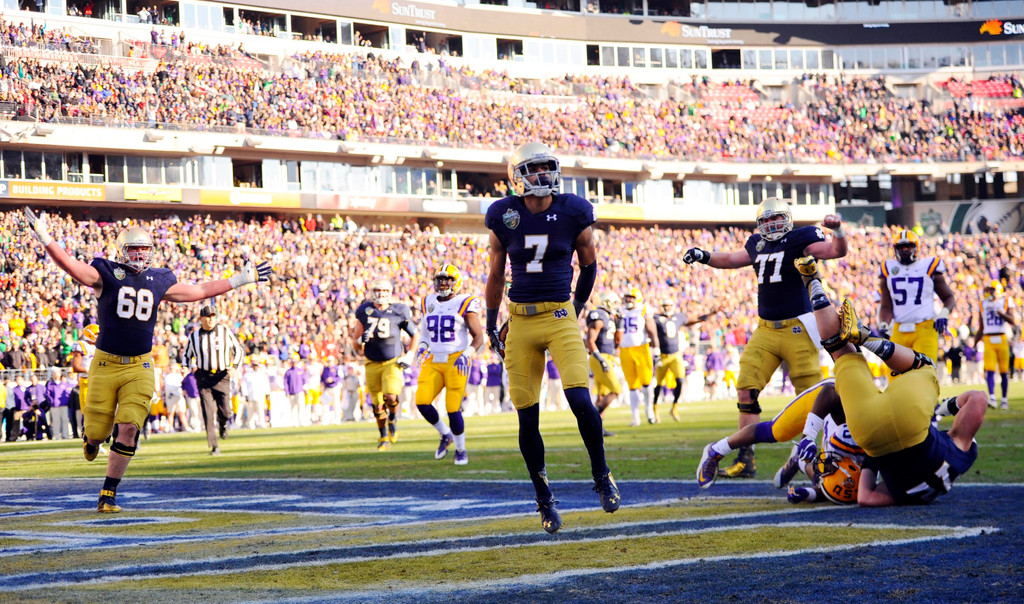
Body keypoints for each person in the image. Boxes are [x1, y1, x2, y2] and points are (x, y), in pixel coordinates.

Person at [22, 207, 272, 512]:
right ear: (122, 250)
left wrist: (241, 279)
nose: (140, 254)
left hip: (140, 364)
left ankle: (108, 494)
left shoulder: (159, 279)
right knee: (98, 432)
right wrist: (46, 238)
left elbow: (198, 290)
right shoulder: (107, 273)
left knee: (128, 427)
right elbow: (73, 267)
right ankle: (91, 441)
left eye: (145, 249)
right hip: (104, 363)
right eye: (134, 248)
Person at [484, 141, 619, 534]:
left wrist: (574, 309)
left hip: (560, 314)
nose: (543, 176)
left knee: (580, 397)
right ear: (517, 177)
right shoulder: (502, 214)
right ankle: (544, 498)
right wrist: (493, 323)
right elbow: (495, 276)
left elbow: (590, 266)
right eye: (534, 169)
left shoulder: (574, 209)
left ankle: (601, 473)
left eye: (547, 168)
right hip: (521, 320)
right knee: (528, 416)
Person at [797, 256, 986, 506]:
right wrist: (872, 460)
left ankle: (866, 338)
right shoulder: (906, 492)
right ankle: (812, 282)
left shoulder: (959, 457)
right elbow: (866, 497)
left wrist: (938, 410)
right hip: (871, 435)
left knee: (924, 366)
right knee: (839, 350)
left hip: (913, 417)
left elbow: (978, 398)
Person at [683, 198, 846, 479]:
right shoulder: (757, 244)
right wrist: (704, 256)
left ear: (788, 218)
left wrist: (839, 231)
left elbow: (834, 251)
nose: (771, 224)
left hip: (799, 327)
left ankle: (819, 456)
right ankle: (746, 460)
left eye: (776, 218)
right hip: (766, 329)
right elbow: (733, 259)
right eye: (766, 220)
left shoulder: (802, 237)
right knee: (746, 388)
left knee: (813, 396)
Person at [697, 377, 866, 505]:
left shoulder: (856, 474)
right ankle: (716, 450)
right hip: (826, 395)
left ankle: (798, 460)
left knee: (825, 473)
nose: (824, 470)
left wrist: (809, 493)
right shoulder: (859, 437)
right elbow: (830, 391)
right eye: (829, 471)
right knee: (776, 431)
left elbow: (835, 488)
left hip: (842, 449)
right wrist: (809, 436)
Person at [414, 264, 483, 465]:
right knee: (421, 401)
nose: (443, 283)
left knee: (453, 408)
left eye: (448, 280)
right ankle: (446, 434)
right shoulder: (427, 301)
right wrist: (422, 347)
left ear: (456, 281)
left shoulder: (465, 302)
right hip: (433, 359)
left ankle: (461, 450)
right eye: (440, 279)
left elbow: (479, 337)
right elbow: (426, 335)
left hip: (456, 359)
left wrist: (468, 354)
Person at [352, 279, 418, 451]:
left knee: (390, 396)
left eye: (384, 291)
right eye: (378, 290)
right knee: (377, 404)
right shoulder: (365, 310)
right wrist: (360, 340)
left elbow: (415, 334)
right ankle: (383, 436)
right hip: (371, 362)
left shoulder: (399, 310)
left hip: (392, 362)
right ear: (373, 292)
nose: (381, 294)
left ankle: (393, 419)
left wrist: (410, 355)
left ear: (390, 293)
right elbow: (355, 343)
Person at [877, 229, 956, 368]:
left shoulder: (929, 266)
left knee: (926, 373)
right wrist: (883, 323)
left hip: (924, 328)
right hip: (898, 329)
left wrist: (944, 313)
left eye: (909, 246)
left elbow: (949, 297)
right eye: (901, 247)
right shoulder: (888, 268)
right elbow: (886, 306)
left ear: (916, 247)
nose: (905, 250)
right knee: (895, 377)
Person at [184, 305, 244, 455]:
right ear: (201, 318)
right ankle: (214, 445)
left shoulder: (224, 331)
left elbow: (238, 350)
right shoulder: (194, 336)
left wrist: (234, 366)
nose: (211, 319)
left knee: (226, 410)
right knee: (208, 413)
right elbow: (186, 355)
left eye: (212, 316)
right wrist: (187, 367)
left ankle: (223, 425)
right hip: (204, 377)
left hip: (222, 376)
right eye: (207, 316)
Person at [653, 298, 714, 422]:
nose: (667, 308)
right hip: (663, 355)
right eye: (665, 305)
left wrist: (704, 317)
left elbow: (689, 322)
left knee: (680, 380)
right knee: (659, 385)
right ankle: (654, 408)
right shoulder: (657, 318)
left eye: (669, 305)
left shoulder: (678, 317)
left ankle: (674, 407)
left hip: (675, 354)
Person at [616, 287, 660, 425]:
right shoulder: (620, 311)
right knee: (632, 385)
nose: (628, 299)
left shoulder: (643, 309)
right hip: (625, 350)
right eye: (627, 297)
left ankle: (649, 412)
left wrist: (657, 349)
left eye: (631, 297)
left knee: (646, 383)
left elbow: (652, 330)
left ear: (638, 298)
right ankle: (635, 417)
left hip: (641, 349)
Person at [584, 291, 622, 434]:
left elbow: (618, 341)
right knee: (616, 389)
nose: (616, 306)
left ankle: (598, 428)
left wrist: (621, 323)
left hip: (607, 357)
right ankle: (591, 419)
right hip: (600, 357)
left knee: (601, 395)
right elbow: (590, 341)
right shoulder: (599, 316)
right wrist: (601, 360)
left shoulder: (609, 317)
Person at [977, 280, 1016, 409]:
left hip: (1002, 336)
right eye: (987, 290)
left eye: (991, 290)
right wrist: (976, 341)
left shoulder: (1005, 301)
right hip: (988, 339)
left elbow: (1013, 320)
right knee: (989, 370)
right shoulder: (982, 304)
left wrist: (1000, 312)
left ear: (997, 290)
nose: (988, 292)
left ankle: (1004, 400)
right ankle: (992, 398)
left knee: (1004, 371)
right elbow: (981, 327)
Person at [71, 323, 99, 438]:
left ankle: (100, 435)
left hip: (99, 381)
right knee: (88, 412)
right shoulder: (81, 345)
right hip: (86, 381)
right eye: (97, 333)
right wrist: (91, 370)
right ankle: (88, 437)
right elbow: (75, 367)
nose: (99, 336)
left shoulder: (100, 346)